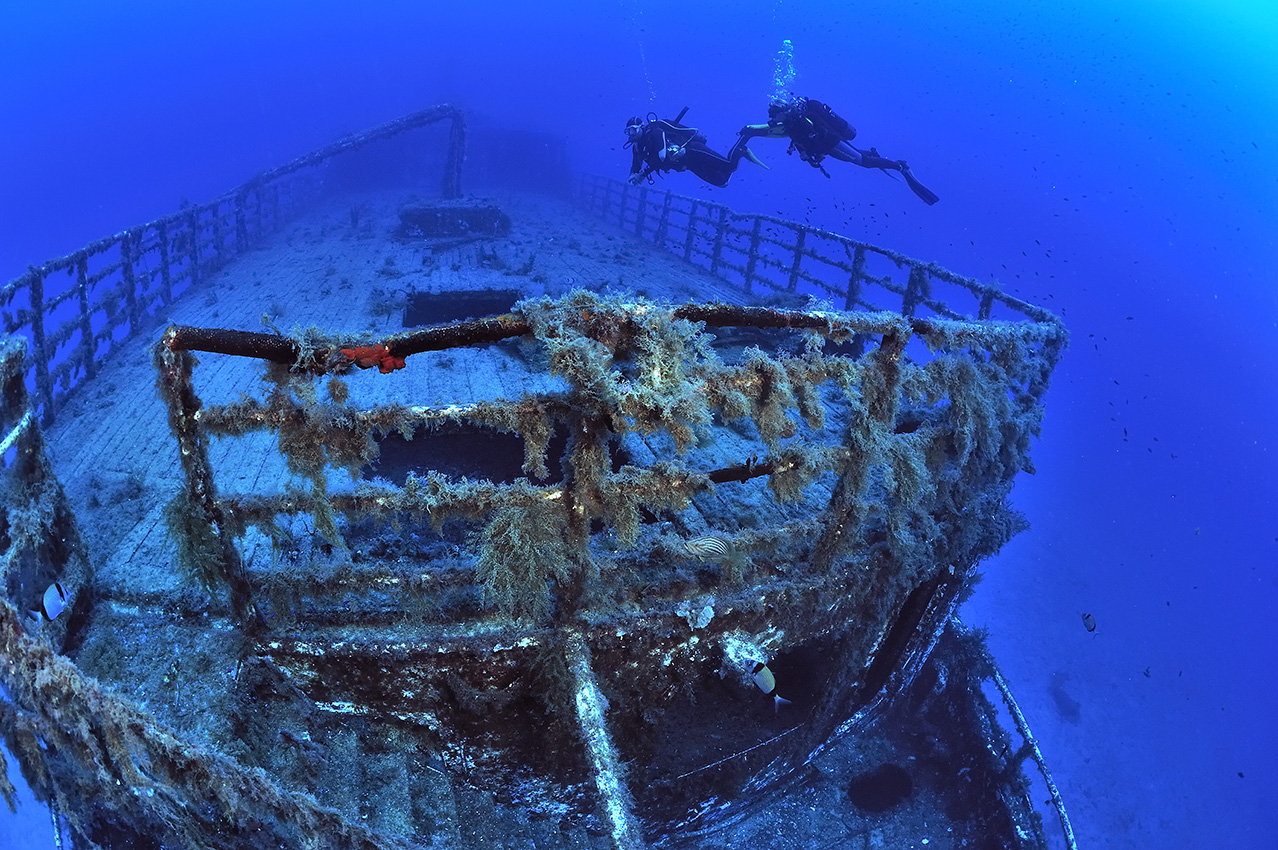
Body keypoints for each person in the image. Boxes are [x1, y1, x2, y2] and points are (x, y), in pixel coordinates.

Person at [737, 97, 939, 205]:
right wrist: (804, 152)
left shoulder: (796, 120)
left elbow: (813, 138)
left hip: (831, 144)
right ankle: (872, 152)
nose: (773, 120)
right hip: (832, 143)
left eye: (775, 115)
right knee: (859, 156)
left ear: (782, 112)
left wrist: (812, 153)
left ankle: (899, 166)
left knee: (863, 163)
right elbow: (800, 140)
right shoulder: (791, 122)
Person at [625, 108, 764, 188]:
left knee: (730, 166)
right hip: (689, 164)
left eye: (632, 130)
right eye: (628, 132)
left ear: (641, 127)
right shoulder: (638, 147)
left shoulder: (654, 131)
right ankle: (736, 153)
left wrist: (643, 174)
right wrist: (635, 175)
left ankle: (742, 144)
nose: (631, 135)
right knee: (722, 182)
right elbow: (636, 164)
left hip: (693, 150)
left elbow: (661, 156)